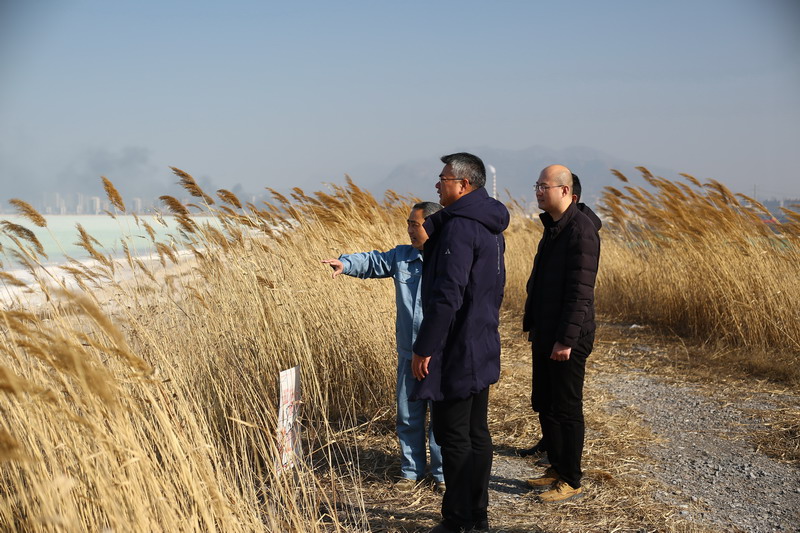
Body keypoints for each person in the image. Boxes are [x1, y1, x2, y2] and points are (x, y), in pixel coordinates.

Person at [411, 152, 509, 533]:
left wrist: (425, 347)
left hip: (457, 347)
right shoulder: (491, 225)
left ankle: (458, 519)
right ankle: (477, 515)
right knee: (475, 432)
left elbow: (447, 295)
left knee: (453, 435)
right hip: (481, 340)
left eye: (443, 179)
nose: (437, 185)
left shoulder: (459, 228)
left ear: (464, 185)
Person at [321, 201, 445, 492]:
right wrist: (346, 264)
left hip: (439, 354)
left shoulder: (448, 259)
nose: (409, 230)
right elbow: (374, 261)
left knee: (441, 418)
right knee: (408, 413)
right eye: (409, 224)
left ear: (432, 226)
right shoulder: (402, 256)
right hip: (409, 352)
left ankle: (442, 474)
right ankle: (411, 472)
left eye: (415, 224)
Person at [522, 165, 600, 504]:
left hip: (567, 337)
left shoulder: (581, 231)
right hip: (546, 330)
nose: (538, 192)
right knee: (546, 402)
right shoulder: (554, 226)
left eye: (544, 186)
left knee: (567, 407)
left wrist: (566, 340)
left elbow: (580, 292)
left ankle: (571, 478)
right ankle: (555, 466)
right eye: (537, 186)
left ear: (565, 190)